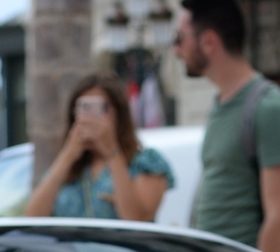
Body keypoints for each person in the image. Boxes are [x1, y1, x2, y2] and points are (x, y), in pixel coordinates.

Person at [172, 0, 280, 252]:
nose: (176, 50)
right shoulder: (222, 103)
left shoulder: (269, 109)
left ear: (209, 41)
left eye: (180, 38)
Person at [24, 74, 173, 222]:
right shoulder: (71, 168)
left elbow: (137, 218)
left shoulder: (145, 163)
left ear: (118, 113)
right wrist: (68, 155)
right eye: (84, 108)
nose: (91, 117)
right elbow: (32, 217)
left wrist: (112, 152)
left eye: (101, 108)